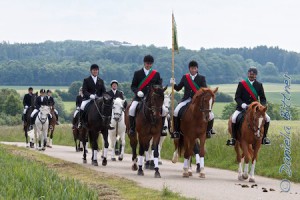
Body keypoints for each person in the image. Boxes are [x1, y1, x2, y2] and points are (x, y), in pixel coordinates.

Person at [170, 60, 215, 139]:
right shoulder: (185, 77)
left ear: (197, 69)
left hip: (198, 101)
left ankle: (209, 130)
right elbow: (178, 88)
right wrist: (173, 84)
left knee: (211, 115)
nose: (193, 70)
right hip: (186, 99)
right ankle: (176, 131)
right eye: (192, 68)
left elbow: (204, 89)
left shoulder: (201, 78)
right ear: (189, 69)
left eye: (195, 68)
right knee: (176, 111)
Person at [226, 67, 271, 146]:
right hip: (243, 107)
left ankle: (264, 138)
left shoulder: (259, 85)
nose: (251, 75)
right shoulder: (242, 84)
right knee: (233, 118)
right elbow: (237, 97)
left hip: (256, 109)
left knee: (267, 118)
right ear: (248, 74)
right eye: (250, 74)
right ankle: (233, 138)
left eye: (253, 74)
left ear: (256, 75)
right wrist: (242, 104)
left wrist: (262, 106)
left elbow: (263, 98)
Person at [129, 54, 167, 136]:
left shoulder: (156, 74)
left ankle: (162, 128)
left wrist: (157, 89)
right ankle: (132, 128)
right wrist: (138, 92)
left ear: (152, 64)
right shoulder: (137, 73)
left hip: (153, 98)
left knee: (164, 110)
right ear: (144, 63)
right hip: (140, 97)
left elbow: (159, 86)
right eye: (147, 63)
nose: (148, 65)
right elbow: (133, 86)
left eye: (150, 63)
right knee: (132, 109)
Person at [78, 64, 106, 128]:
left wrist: (101, 97)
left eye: (96, 70)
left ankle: (107, 122)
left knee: (106, 107)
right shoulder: (86, 80)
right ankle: (81, 122)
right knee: (82, 106)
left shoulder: (101, 81)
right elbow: (84, 91)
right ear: (91, 71)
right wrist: (90, 95)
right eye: (94, 70)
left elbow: (104, 91)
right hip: (89, 99)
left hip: (99, 99)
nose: (95, 71)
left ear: (98, 71)